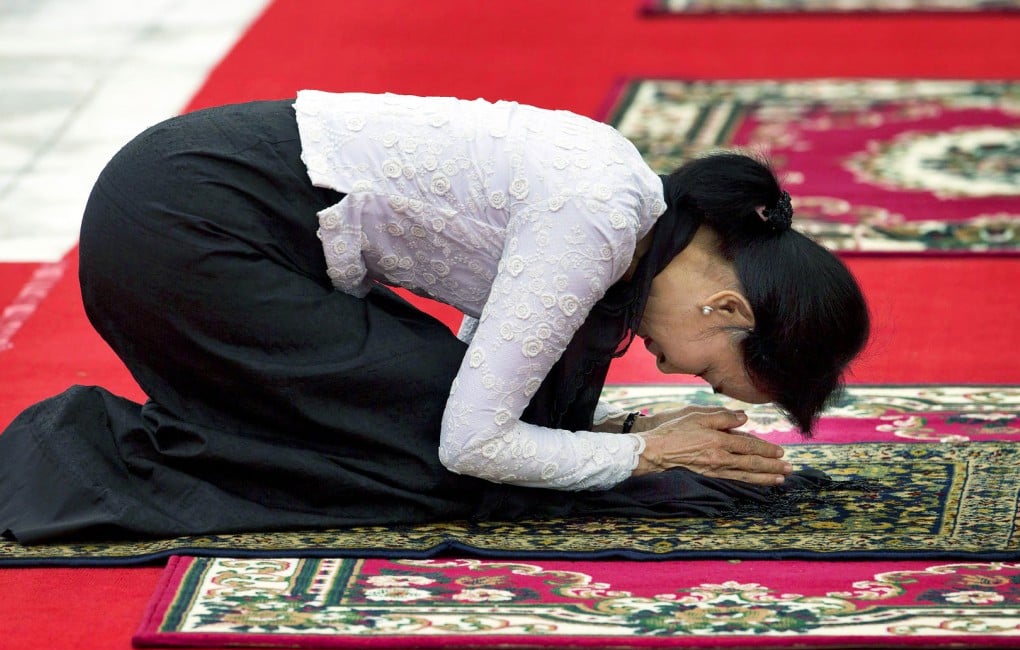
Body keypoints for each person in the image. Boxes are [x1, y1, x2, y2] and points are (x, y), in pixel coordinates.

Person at [0, 92, 869, 543]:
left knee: (434, 431)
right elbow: (472, 441)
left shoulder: (628, 205)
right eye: (712, 370)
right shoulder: (597, 222)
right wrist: (643, 450)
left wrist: (617, 435)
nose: (680, 376)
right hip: (186, 230)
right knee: (448, 468)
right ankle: (69, 456)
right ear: (728, 307)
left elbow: (486, 381)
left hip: (201, 212)